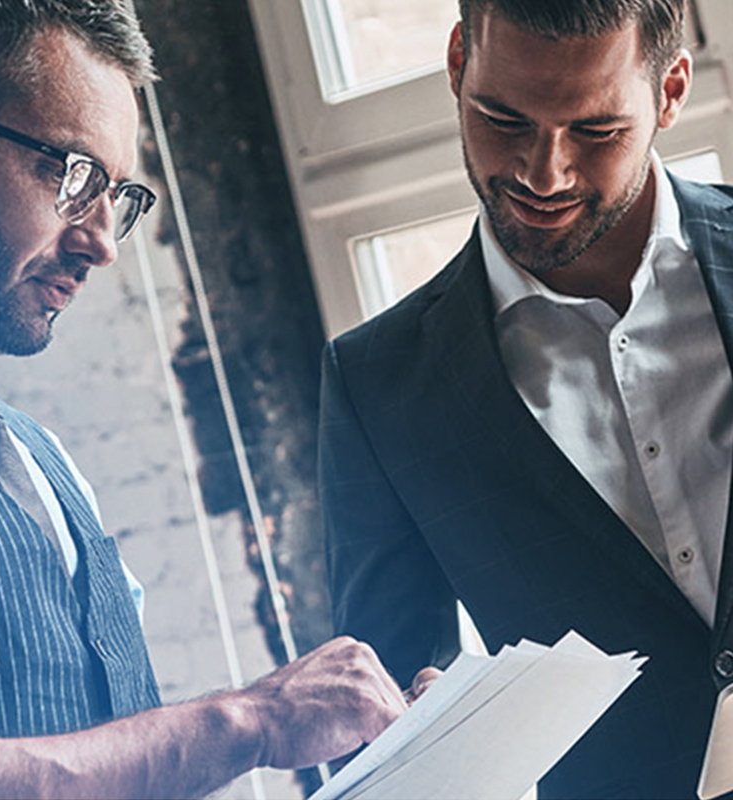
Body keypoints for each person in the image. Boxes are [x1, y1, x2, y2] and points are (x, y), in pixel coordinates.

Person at [0, 1, 409, 797]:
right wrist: (248, 722)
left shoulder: (41, 458)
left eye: (118, 196)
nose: (103, 243)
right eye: (72, 177)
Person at [320, 0, 732, 797]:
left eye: (596, 131)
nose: (544, 174)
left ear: (671, 91)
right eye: (502, 119)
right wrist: (430, 742)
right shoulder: (378, 387)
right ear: (456, 64)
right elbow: (377, 732)